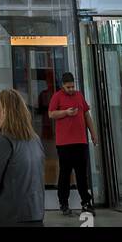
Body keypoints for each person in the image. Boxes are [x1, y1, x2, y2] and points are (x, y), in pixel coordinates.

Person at [0, 88, 45, 227]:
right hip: (35, 216)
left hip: (5, 218)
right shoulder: (35, 139)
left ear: (5, 111)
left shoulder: (2, 140)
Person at [48, 70, 97, 216]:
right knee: (65, 174)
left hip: (80, 141)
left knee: (82, 174)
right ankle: (63, 203)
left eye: (72, 86)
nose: (71, 89)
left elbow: (86, 115)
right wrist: (66, 112)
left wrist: (93, 134)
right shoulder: (57, 97)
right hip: (64, 144)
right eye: (68, 87)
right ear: (63, 86)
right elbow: (51, 114)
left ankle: (86, 203)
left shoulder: (79, 96)